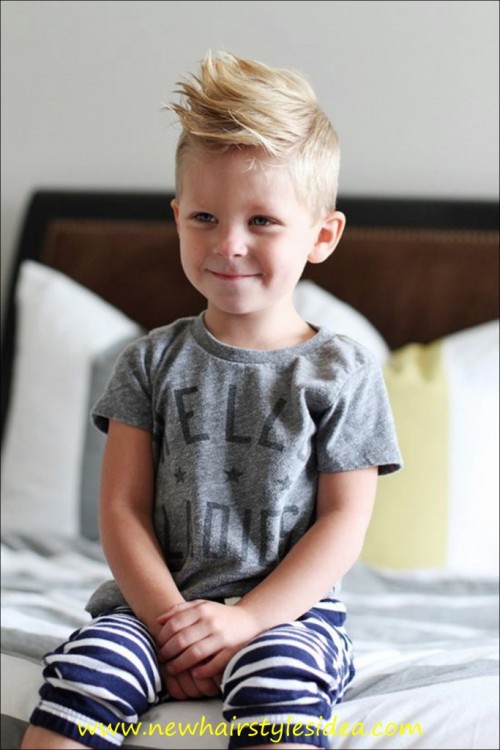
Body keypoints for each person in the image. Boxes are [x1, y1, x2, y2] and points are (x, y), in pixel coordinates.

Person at [21, 50, 402, 750]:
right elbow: (121, 509)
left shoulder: (342, 372)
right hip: (150, 610)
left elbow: (343, 526)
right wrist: (172, 621)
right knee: (84, 672)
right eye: (204, 216)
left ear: (322, 235)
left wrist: (247, 622)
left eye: (262, 221)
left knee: (280, 683)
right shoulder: (149, 361)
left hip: (289, 618)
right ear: (176, 217)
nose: (228, 244)